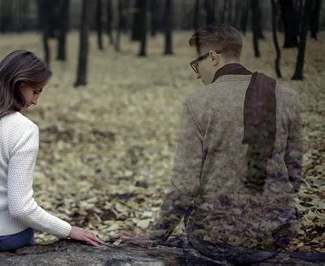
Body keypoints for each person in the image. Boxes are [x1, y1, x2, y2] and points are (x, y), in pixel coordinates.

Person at [123, 24, 303, 264]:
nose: (197, 73)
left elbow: (185, 185)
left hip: (214, 241)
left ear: (213, 57)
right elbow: (294, 174)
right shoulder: (286, 96)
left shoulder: (199, 103)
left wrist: (156, 236)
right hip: (274, 237)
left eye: (196, 65)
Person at [0, 50, 103, 252]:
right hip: (3, 236)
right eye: (36, 91)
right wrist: (69, 230)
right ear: (20, 84)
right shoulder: (24, 130)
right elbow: (21, 209)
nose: (35, 101)